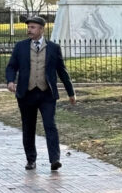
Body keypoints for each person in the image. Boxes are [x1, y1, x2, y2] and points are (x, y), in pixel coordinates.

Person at [5, 16, 76, 171]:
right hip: (26, 93)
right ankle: (31, 160)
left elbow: (62, 71)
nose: (29, 30)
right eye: (28, 27)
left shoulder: (53, 48)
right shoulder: (20, 47)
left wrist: (71, 92)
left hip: (46, 94)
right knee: (28, 127)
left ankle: (55, 159)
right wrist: (10, 81)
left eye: (33, 27)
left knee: (50, 125)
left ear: (42, 29)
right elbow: (11, 66)